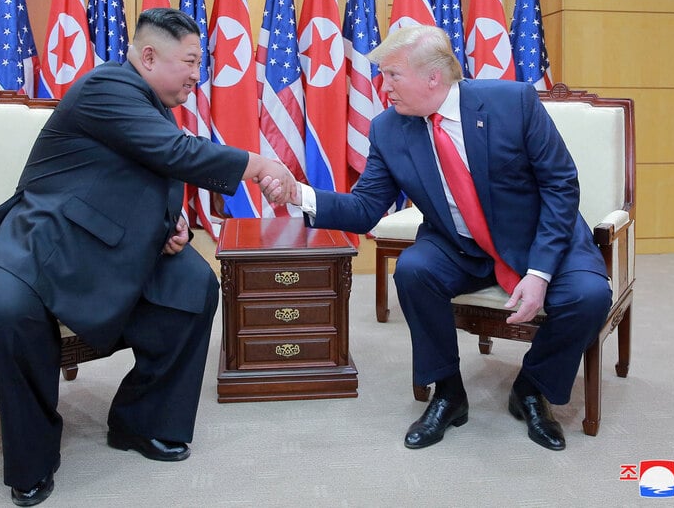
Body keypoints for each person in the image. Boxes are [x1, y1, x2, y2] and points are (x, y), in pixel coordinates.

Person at [0, 8, 295, 506]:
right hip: (46, 239)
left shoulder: (154, 102)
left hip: (115, 241)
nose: (196, 73)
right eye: (189, 60)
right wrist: (260, 163)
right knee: (0, 316)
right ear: (148, 56)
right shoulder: (108, 87)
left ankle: (142, 421)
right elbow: (174, 154)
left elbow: (145, 176)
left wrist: (173, 225)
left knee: (194, 286)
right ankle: (32, 456)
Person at [262, 25, 611, 452]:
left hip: (539, 238)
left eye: (392, 74)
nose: (382, 85)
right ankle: (448, 392)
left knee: (589, 296)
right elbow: (366, 207)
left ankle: (532, 387)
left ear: (433, 77)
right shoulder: (389, 129)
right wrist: (299, 194)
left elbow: (561, 184)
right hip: (459, 245)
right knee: (413, 270)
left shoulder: (512, 102)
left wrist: (539, 272)